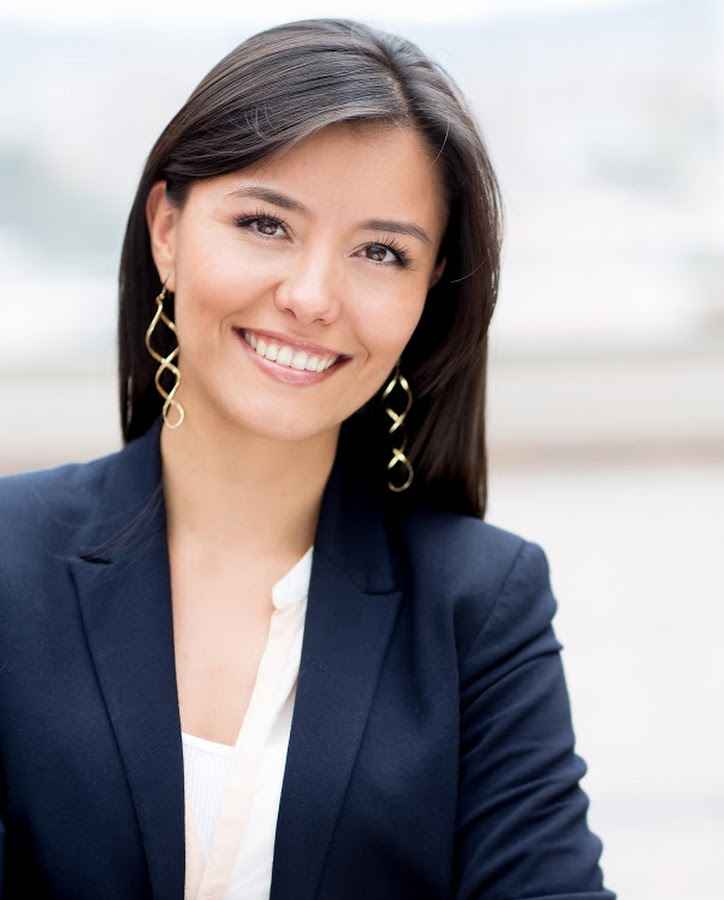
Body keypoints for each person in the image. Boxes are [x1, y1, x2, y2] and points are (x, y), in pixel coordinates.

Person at [0, 17, 616, 900]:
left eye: (380, 252)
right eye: (264, 224)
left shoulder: (479, 605)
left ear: (427, 298)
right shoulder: (8, 562)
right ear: (167, 228)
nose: (313, 297)